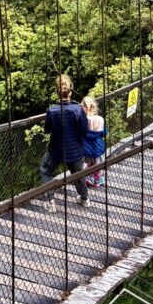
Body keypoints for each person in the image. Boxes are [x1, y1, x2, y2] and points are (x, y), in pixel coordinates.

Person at [40, 74, 89, 209]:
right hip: (75, 151)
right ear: (71, 92)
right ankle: (84, 199)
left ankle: (51, 202)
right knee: (78, 175)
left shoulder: (52, 110)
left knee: (45, 171)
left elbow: (47, 129)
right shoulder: (78, 109)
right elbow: (85, 129)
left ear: (57, 93)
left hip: (56, 150)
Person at [81, 95, 107, 188]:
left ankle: (86, 178)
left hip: (86, 146)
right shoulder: (100, 119)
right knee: (97, 163)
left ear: (84, 107)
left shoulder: (83, 120)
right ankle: (97, 179)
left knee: (87, 163)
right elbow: (104, 133)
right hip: (97, 146)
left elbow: (81, 132)